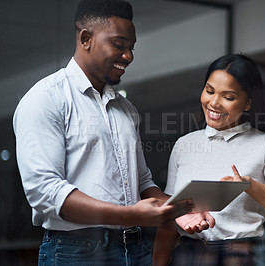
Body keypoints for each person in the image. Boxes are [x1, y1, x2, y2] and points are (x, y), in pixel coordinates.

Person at [13, 0, 210, 265]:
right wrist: (130, 215)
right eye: (119, 44)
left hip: (135, 249)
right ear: (86, 39)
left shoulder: (127, 109)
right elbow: (44, 192)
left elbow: (142, 183)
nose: (129, 56)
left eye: (131, 48)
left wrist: (179, 211)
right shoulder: (45, 99)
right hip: (75, 252)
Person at [153, 54, 265, 265]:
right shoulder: (184, 145)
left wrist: (249, 185)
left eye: (229, 97)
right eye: (209, 91)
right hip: (187, 255)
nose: (214, 103)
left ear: (247, 103)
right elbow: (168, 223)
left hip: (239, 257)